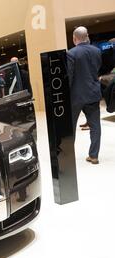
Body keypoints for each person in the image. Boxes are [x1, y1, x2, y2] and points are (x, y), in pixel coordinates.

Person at [67, 26, 102, 165]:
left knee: (70, 128)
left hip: (76, 96)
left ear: (74, 38)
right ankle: (94, 156)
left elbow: (69, 76)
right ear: (86, 36)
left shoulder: (71, 53)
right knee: (95, 127)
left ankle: (68, 157)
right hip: (93, 93)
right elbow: (97, 69)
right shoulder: (97, 51)